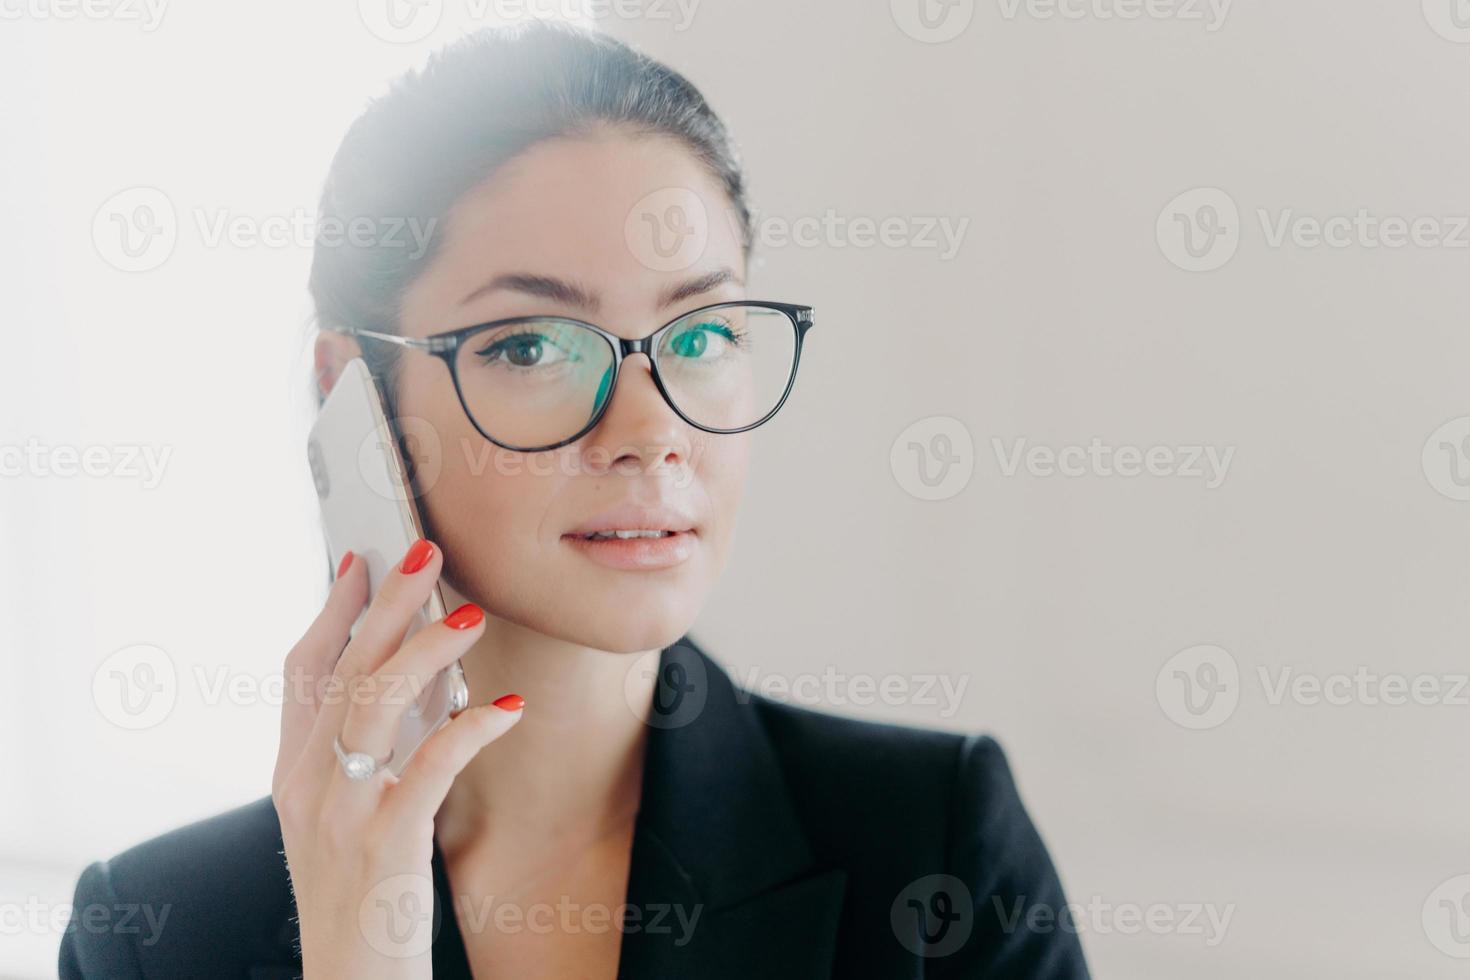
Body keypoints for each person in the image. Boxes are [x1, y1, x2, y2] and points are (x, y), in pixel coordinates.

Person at [58, 20, 1090, 979]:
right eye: (531, 344)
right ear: (351, 395)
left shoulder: (934, 840)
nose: (651, 431)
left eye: (702, 334)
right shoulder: (157, 929)